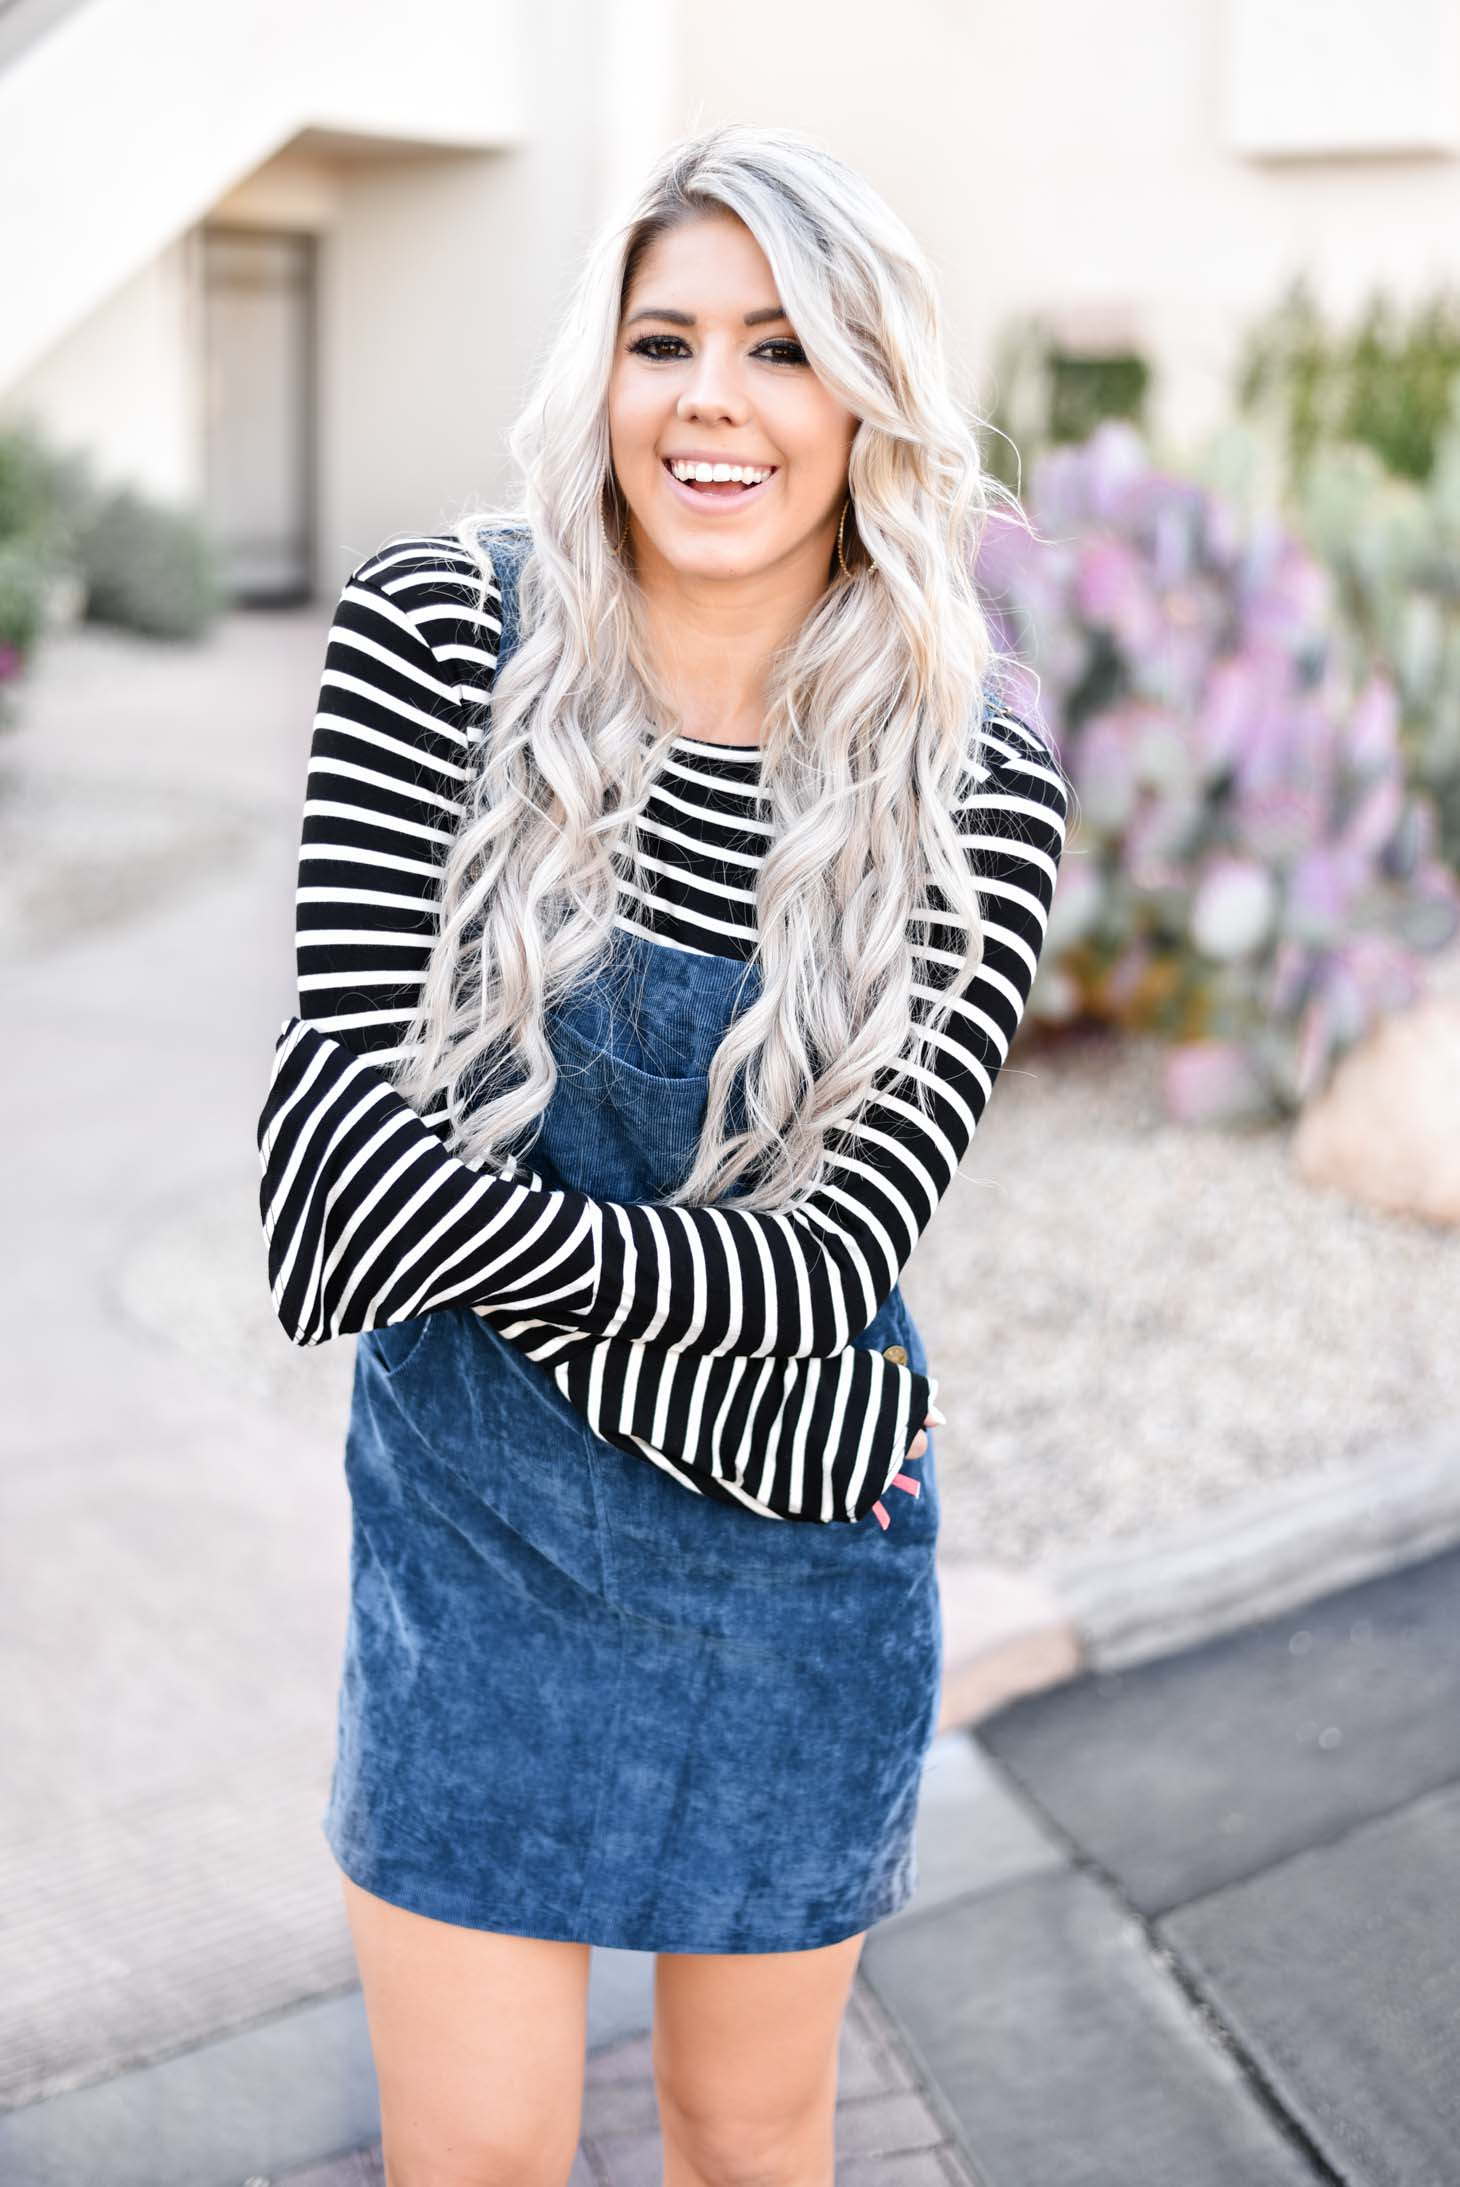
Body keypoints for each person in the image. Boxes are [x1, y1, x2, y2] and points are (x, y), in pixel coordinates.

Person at [256, 120, 1068, 2187]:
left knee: (743, 2133)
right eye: (666, 338)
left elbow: (831, 1266)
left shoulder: (975, 760)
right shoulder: (442, 637)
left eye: (783, 348)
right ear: (600, 374)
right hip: (475, 1547)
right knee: (481, 2157)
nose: (713, 399)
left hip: (791, 1580)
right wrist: (730, 1379)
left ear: (866, 396)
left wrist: (478, 1245)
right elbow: (320, 1187)